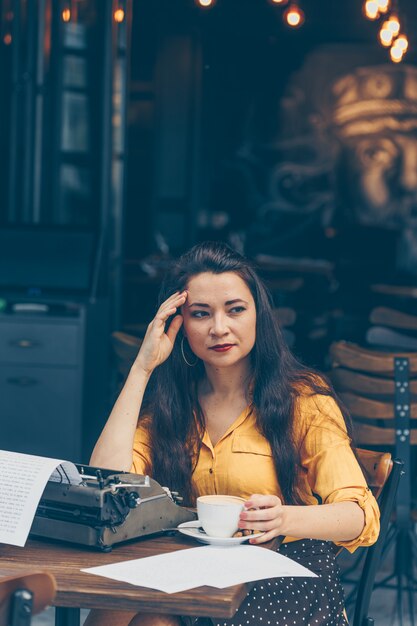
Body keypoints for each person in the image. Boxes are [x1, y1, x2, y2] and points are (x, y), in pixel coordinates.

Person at [85, 241, 380, 626]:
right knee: (120, 605)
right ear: (180, 324)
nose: (219, 328)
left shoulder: (303, 401)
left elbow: (361, 516)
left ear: (259, 315)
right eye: (200, 314)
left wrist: (283, 520)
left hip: (283, 582)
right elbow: (105, 483)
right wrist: (143, 367)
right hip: (197, 576)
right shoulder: (173, 408)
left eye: (235, 310)